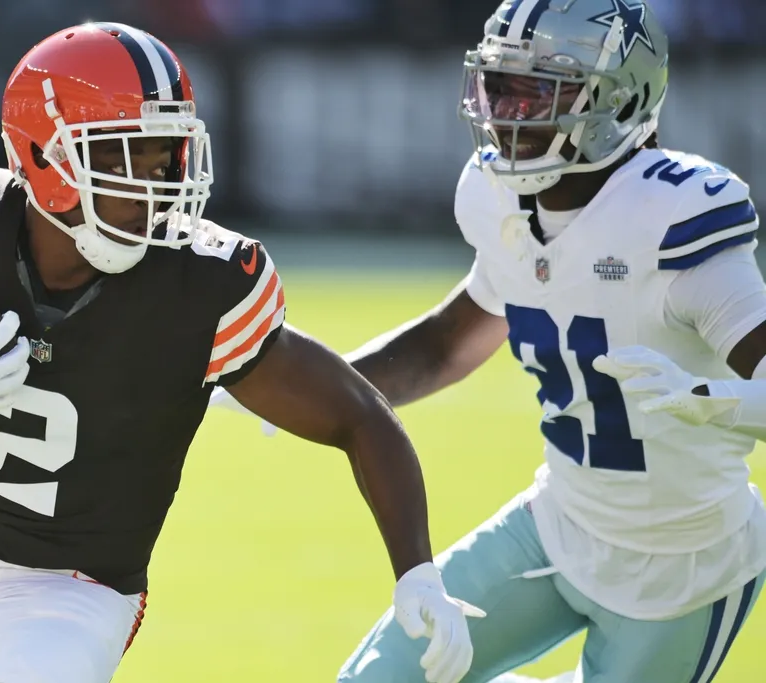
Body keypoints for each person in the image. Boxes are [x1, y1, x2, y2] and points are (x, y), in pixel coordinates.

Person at [0, 22, 481, 683]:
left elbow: (358, 414)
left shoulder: (204, 283)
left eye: (168, 154)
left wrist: (416, 570)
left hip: (74, 586)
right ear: (45, 161)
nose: (160, 185)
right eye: (129, 156)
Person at [213, 0, 766, 681]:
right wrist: (311, 388)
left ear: (619, 102)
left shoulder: (676, 222)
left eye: (537, 92)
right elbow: (446, 346)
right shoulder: (499, 199)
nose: (508, 112)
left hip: (688, 569)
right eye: (499, 86)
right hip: (557, 526)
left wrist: (714, 398)